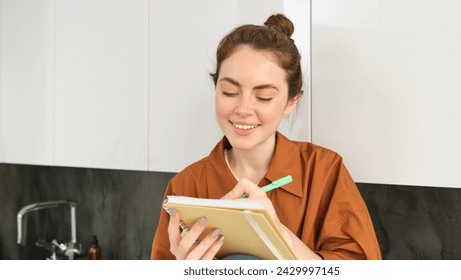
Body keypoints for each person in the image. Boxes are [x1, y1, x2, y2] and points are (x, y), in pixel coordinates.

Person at [150, 14, 381, 260]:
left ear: (292, 101)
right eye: (229, 92)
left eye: (263, 97)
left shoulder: (324, 171)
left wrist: (276, 231)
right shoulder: (186, 186)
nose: (243, 109)